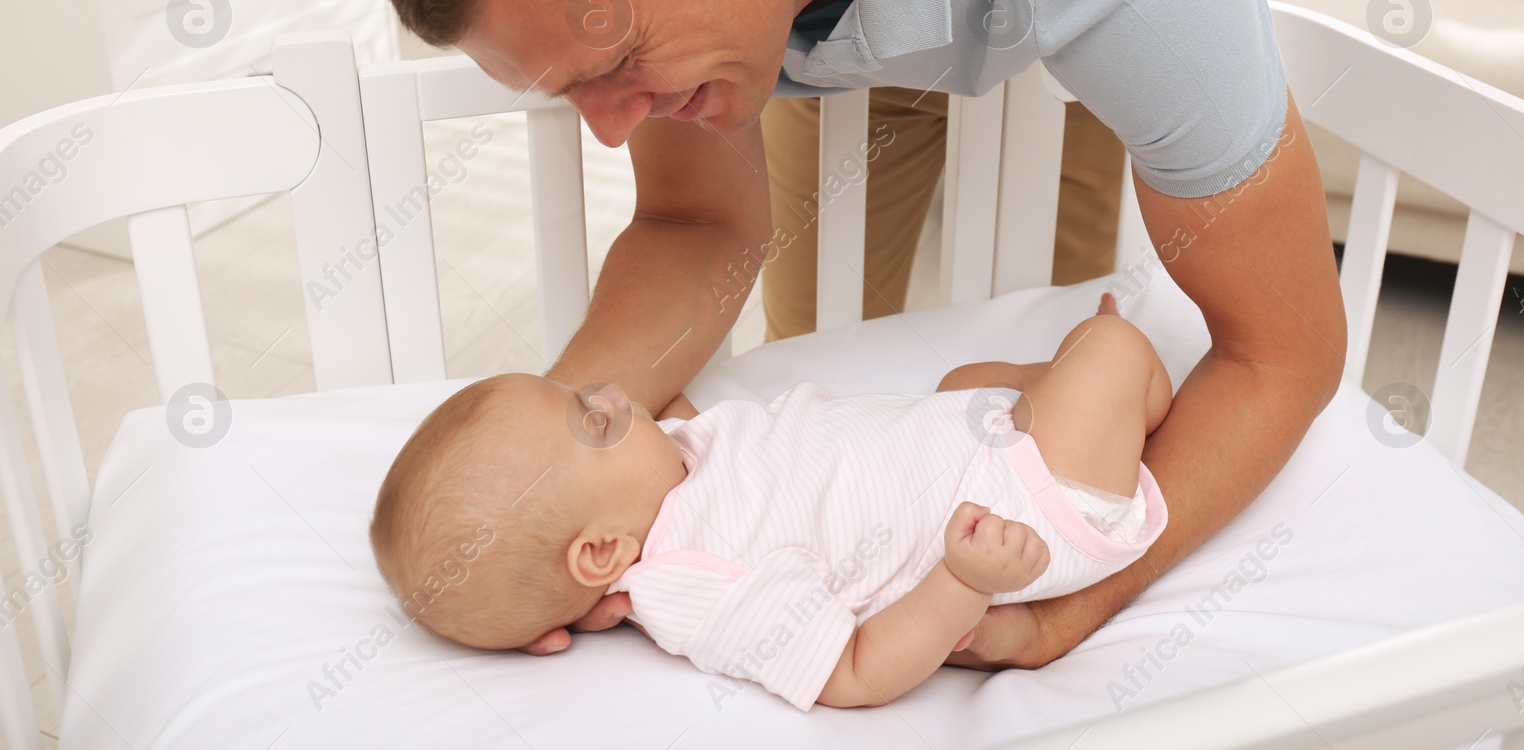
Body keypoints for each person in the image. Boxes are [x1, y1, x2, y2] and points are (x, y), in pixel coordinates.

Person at [363, 0, 1346, 671]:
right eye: (569, 88)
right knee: (828, 312)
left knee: (1078, 332)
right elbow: (695, 222)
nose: (611, 133)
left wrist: (1063, 612)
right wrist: (533, 494)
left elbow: (1281, 353)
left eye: (615, 63)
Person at [370, 298, 1171, 710]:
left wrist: (569, 600)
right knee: (1117, 349)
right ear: (601, 552)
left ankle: (1074, 386)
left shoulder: (660, 486)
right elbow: (849, 674)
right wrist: (963, 581)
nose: (618, 393)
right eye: (596, 419)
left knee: (969, 380)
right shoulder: (701, 580)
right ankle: (1108, 387)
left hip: (976, 433)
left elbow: (677, 418)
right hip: (1028, 502)